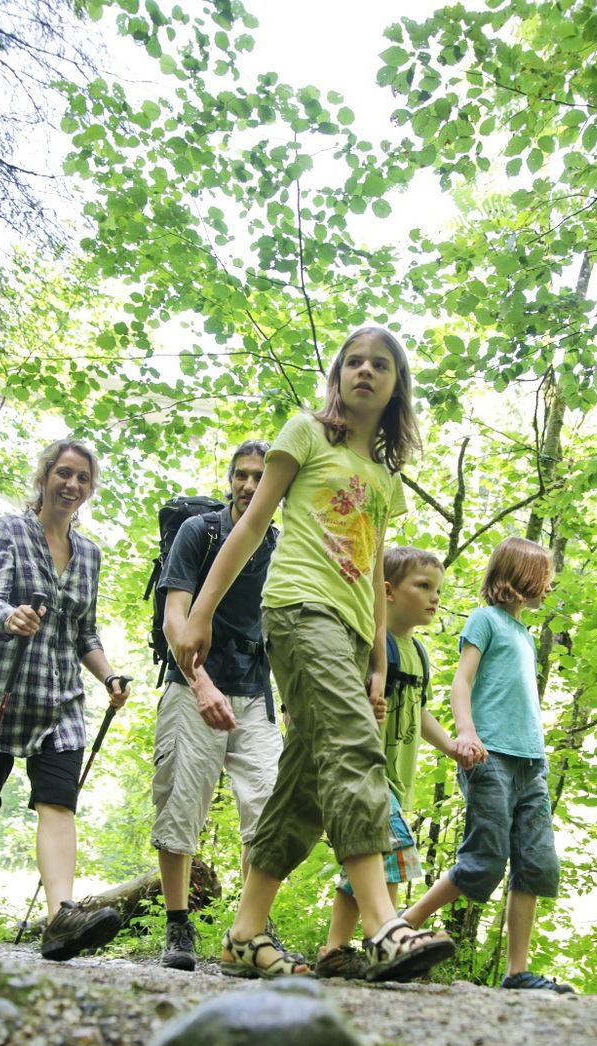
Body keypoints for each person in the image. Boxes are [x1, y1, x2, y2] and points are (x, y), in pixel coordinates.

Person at [175, 325, 455, 983]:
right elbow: (251, 524)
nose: (365, 371)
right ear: (338, 375)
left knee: (302, 788)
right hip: (299, 610)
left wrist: (381, 664)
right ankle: (386, 926)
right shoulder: (304, 432)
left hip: (356, 636)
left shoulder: (386, 477)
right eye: (353, 361)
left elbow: (373, 575)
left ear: (396, 385)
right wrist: (200, 612)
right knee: (358, 752)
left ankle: (245, 934)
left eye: (380, 364)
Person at [0, 439, 130, 960]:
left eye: (83, 479)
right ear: (45, 476)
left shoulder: (90, 554)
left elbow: (84, 632)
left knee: (58, 801)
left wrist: (109, 676)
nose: (72, 485)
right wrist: (10, 617)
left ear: (90, 489)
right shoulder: (12, 529)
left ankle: (60, 919)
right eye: (63, 474)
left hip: (60, 697)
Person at [402, 535, 575, 993]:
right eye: (544, 578)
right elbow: (463, 683)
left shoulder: (523, 633)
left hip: (531, 764)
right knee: (484, 860)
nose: (548, 586)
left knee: (536, 864)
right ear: (520, 579)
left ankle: (517, 972)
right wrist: (466, 733)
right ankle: (404, 925)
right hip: (490, 757)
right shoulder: (486, 621)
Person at [152, 440, 283, 971]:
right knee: (180, 802)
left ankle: (251, 931)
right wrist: (201, 684)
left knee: (269, 810)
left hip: (257, 690)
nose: (250, 485)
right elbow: (173, 618)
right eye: (242, 475)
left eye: (260, 476)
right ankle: (178, 927)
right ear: (230, 478)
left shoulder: (283, 544)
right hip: (193, 684)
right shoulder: (199, 532)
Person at [316, 545, 470, 978]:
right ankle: (387, 940)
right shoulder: (369, 640)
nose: (433, 597)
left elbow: (418, 711)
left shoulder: (417, 653)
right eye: (422, 587)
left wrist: (451, 746)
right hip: (363, 770)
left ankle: (334, 952)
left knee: (367, 863)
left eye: (437, 589)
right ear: (387, 591)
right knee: (396, 855)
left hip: (396, 777)